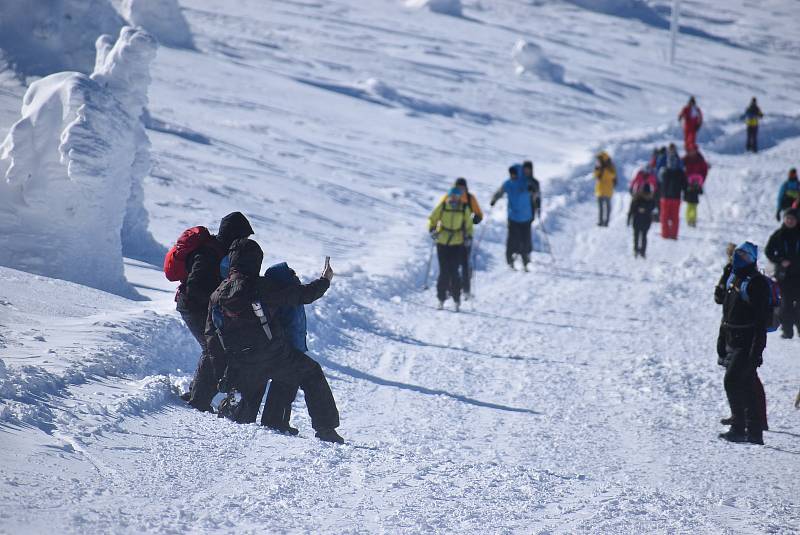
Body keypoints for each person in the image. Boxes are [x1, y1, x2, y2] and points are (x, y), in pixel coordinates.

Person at [208, 238, 344, 443]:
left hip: (241, 361)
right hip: (274, 355)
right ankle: (324, 429)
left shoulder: (217, 294)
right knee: (310, 372)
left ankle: (238, 411)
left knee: (244, 412)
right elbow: (302, 295)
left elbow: (211, 334)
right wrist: (324, 280)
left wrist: (226, 367)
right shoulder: (261, 286)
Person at [177, 212, 254, 412]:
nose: (244, 241)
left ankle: (196, 394)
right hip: (193, 306)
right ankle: (198, 400)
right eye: (243, 236)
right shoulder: (210, 253)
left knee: (215, 348)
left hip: (203, 306)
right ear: (234, 234)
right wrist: (217, 299)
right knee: (213, 349)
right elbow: (194, 286)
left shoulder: (222, 251)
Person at [716, 242, 769, 445]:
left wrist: (757, 349)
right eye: (738, 255)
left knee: (732, 381)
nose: (740, 259)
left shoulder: (757, 283)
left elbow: (761, 320)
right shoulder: (734, 277)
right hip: (732, 338)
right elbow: (723, 306)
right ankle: (754, 432)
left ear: (753, 259)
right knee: (746, 384)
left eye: (745, 256)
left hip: (747, 341)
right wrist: (721, 340)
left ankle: (739, 427)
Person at [429, 187, 473, 310]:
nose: (453, 198)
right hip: (442, 242)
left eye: (456, 195)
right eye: (451, 195)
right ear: (448, 196)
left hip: (457, 243)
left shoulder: (464, 208)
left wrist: (468, 236)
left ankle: (456, 299)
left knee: (454, 271)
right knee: (444, 272)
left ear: (459, 197)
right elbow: (432, 218)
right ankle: (441, 298)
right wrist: (432, 229)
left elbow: (469, 225)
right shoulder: (443, 206)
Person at [765, 208, 800, 339]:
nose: (790, 221)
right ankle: (787, 331)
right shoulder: (778, 235)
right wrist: (780, 261)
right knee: (786, 304)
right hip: (784, 276)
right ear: (784, 219)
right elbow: (768, 251)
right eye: (788, 218)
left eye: (792, 219)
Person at [446, 177, 483, 300]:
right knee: (452, 263)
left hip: (466, 235)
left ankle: (466, 289)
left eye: (463, 188)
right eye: (459, 188)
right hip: (452, 235)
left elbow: (479, 214)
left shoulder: (470, 198)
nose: (461, 190)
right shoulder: (449, 197)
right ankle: (452, 288)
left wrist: (474, 219)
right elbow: (441, 210)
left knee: (465, 262)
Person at [491, 165, 534, 271]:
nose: (512, 176)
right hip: (513, 217)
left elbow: (533, 191)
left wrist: (531, 191)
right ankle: (510, 259)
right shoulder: (508, 183)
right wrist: (494, 199)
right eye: (511, 174)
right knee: (512, 239)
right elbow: (500, 192)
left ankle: (525, 261)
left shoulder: (525, 182)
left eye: (514, 174)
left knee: (525, 240)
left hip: (525, 217)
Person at [658, 144, 687, 239]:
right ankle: (668, 234)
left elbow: (684, 184)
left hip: (671, 197)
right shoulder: (666, 171)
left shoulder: (667, 171)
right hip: (668, 197)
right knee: (668, 217)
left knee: (670, 217)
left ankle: (668, 234)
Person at [682, 147, 709, 228]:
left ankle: (693, 220)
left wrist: (700, 182)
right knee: (689, 205)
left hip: (696, 185)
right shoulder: (685, 158)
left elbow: (704, 170)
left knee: (694, 205)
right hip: (688, 185)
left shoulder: (700, 159)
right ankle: (688, 219)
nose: (692, 152)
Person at [627, 183, 655, 258]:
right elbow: (632, 209)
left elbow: (652, 208)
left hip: (645, 221)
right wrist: (629, 218)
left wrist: (645, 210)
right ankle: (636, 250)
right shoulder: (636, 198)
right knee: (637, 236)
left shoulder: (651, 199)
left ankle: (642, 251)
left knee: (643, 236)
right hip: (637, 220)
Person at [593, 151, 616, 227]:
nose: (598, 161)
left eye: (599, 159)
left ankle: (606, 221)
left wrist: (604, 169)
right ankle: (600, 221)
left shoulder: (610, 167)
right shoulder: (599, 167)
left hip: (608, 190)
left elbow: (613, 176)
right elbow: (595, 176)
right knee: (601, 207)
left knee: (607, 207)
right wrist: (598, 169)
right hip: (600, 190)